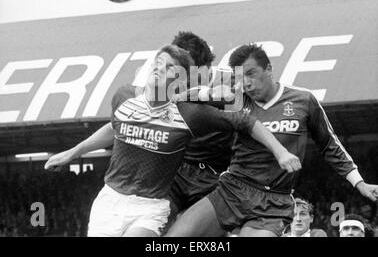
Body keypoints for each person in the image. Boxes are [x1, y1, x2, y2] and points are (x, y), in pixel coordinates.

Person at [45, 44, 300, 237]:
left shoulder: (188, 113)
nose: (159, 68)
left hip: (150, 207)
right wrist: (73, 152)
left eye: (169, 68)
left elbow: (246, 122)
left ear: (179, 80)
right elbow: (115, 127)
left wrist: (281, 152)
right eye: (158, 62)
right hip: (109, 200)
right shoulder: (125, 97)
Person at [166, 43, 378, 237]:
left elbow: (329, 144)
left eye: (251, 74)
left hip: (274, 201)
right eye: (240, 78)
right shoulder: (236, 99)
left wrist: (358, 182)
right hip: (232, 190)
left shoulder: (303, 100)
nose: (247, 83)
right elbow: (186, 95)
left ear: (268, 69)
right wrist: (205, 94)